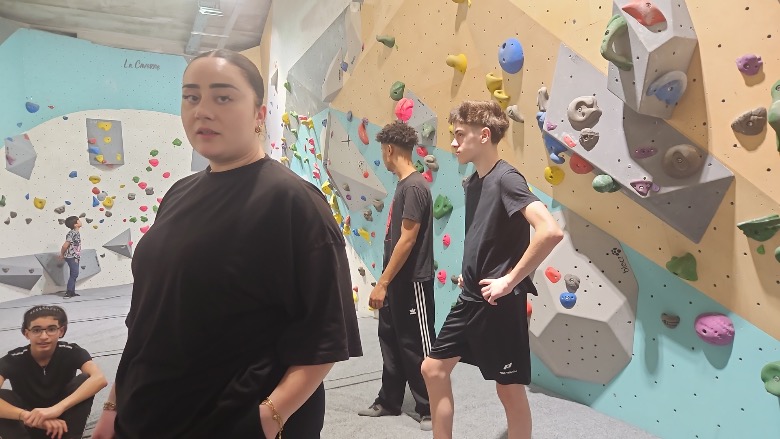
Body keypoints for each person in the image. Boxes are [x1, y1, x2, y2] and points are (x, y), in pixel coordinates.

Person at [91, 49, 362, 439]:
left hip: (228, 421)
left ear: (259, 114)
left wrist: (266, 419)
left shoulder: (293, 202)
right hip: (145, 413)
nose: (202, 110)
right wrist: (114, 405)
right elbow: (148, 318)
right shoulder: (178, 193)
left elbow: (325, 336)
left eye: (222, 97)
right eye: (191, 97)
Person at [420, 100, 564, 439]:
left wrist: (509, 280)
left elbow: (550, 231)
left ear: (484, 135)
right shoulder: (474, 182)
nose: (453, 143)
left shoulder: (506, 178)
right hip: (471, 297)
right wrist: (470, 272)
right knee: (433, 369)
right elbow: (487, 236)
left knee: (508, 389)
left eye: (459, 135)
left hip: (498, 304)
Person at [358, 122, 435, 430]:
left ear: (389, 150)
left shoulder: (414, 187)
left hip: (412, 282)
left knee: (415, 345)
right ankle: (389, 401)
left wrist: (383, 282)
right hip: (396, 281)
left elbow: (407, 239)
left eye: (382, 151)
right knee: (390, 339)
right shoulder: (405, 185)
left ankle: (430, 407)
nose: (383, 156)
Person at [0, 305, 107, 439]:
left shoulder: (71, 351)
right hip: (27, 424)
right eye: (36, 330)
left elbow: (99, 378)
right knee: (3, 396)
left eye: (51, 329)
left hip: (63, 423)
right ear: (27, 334)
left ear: (61, 331)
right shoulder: (13, 359)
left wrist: (57, 409)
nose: (44, 336)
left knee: (85, 379)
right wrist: (26, 416)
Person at [59, 216, 82, 298]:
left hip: (75, 256)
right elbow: (65, 245)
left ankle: (72, 292)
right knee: (74, 273)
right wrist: (62, 254)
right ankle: (68, 292)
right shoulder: (72, 233)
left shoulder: (76, 232)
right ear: (75, 224)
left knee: (74, 274)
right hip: (71, 256)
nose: (80, 221)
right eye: (78, 220)